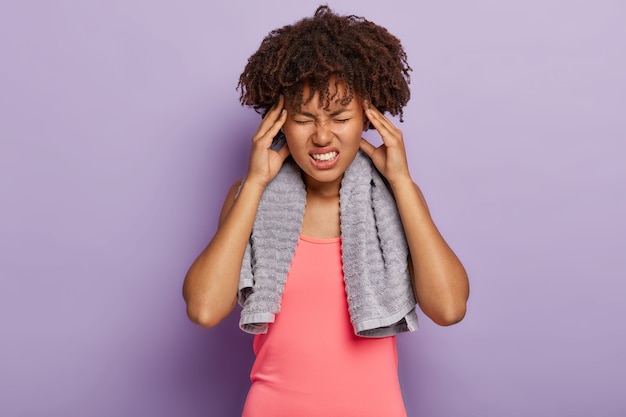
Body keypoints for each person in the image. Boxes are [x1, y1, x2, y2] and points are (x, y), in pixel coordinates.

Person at [183, 5, 469, 416]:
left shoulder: (396, 197)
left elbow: (449, 309)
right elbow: (204, 309)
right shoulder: (247, 195)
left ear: (366, 117)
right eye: (303, 119)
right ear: (280, 121)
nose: (321, 136)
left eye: (339, 117)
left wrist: (402, 182)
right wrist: (256, 184)